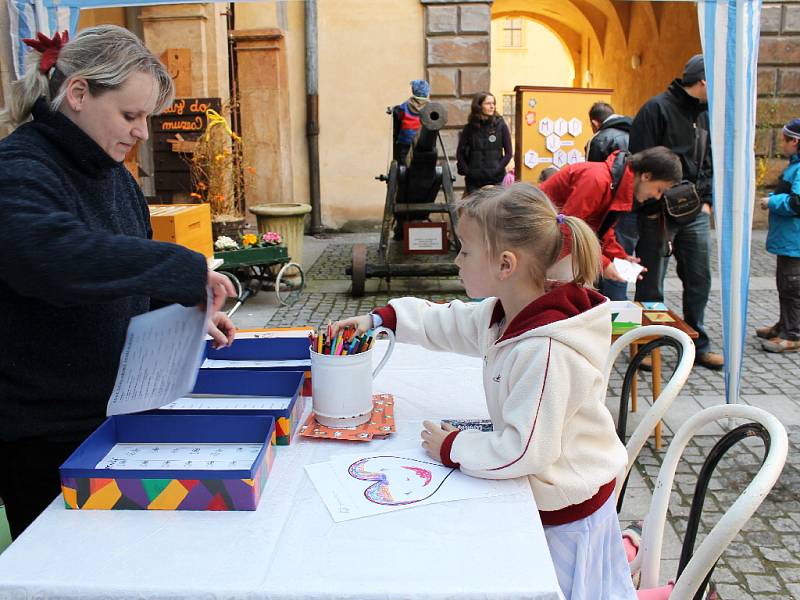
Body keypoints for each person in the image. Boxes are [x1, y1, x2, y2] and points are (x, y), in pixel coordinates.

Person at [333, 183, 636, 599]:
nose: (456, 260)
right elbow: (446, 322)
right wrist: (381, 318)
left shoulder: (544, 350)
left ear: (505, 264)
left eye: (465, 251)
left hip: (564, 508)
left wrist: (453, 447)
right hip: (550, 487)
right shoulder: (508, 312)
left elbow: (523, 450)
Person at [0, 25, 237, 537]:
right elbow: (49, 255)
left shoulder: (113, 175)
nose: (142, 133)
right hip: (44, 435)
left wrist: (189, 314)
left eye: (146, 117)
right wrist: (180, 268)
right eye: (130, 115)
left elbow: (125, 283)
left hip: (116, 412)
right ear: (80, 93)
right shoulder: (19, 167)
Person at [630, 54, 723, 370]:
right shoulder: (655, 109)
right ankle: (647, 344)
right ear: (703, 81)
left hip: (695, 210)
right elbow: (639, 161)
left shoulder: (708, 115)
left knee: (700, 278)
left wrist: (707, 200)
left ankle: (696, 341)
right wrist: (652, 207)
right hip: (657, 211)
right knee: (650, 281)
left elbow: (709, 159)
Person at [539, 147, 682, 297]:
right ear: (646, 176)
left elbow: (604, 230)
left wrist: (619, 256)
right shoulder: (598, 181)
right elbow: (568, 231)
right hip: (539, 239)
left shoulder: (614, 183)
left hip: (549, 241)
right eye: (659, 189)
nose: (657, 196)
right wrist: (603, 264)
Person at [586, 102, 637, 301]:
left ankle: (607, 305)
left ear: (594, 123)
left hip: (609, 207)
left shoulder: (600, 138)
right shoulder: (635, 133)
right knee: (621, 254)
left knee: (604, 252)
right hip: (630, 207)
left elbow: (593, 181)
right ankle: (619, 304)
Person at [757, 118, 800, 353]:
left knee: (792, 286)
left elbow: (798, 203)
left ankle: (793, 334)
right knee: (785, 284)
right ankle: (784, 324)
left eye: (784, 140)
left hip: (795, 241)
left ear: (795, 141)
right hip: (789, 241)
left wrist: (772, 201)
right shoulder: (795, 165)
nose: (781, 144)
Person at [456, 92, 513, 195]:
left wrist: (497, 169)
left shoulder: (501, 126)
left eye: (493, 103)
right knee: (474, 210)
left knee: (494, 210)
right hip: (474, 182)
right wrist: (468, 172)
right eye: (488, 103)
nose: (492, 106)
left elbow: (509, 153)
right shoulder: (469, 129)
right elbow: (460, 153)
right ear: (478, 106)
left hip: (496, 180)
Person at [392, 79, 430, 165]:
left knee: (403, 162)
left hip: (405, 139)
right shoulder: (429, 106)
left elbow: (399, 116)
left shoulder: (405, 105)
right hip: (422, 140)